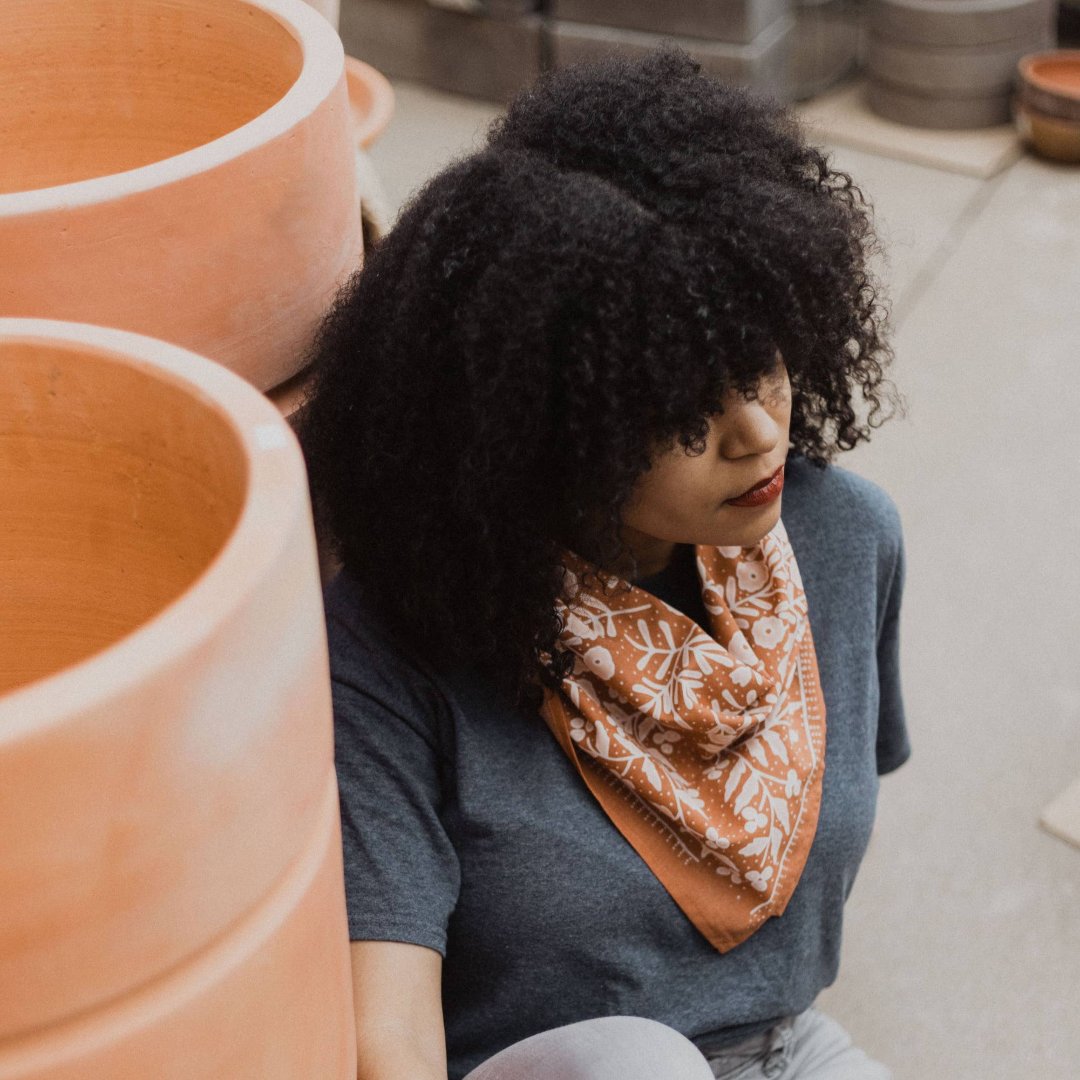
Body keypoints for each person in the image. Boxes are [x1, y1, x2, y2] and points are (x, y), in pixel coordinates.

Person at [298, 46, 910, 1080]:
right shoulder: (399, 642)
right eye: (680, 409)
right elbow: (384, 1042)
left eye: (762, 360)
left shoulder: (845, 538)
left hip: (781, 1048)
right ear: (548, 424)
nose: (759, 432)